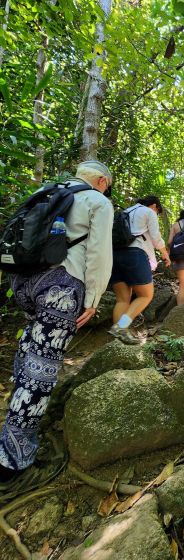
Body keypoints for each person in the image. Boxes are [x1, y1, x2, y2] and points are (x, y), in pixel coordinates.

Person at [0, 160, 114, 483]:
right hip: (60, 289)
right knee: (41, 368)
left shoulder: (48, 189)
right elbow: (99, 255)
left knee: (29, 350)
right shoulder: (97, 201)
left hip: (22, 282)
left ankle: (14, 420)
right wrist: (92, 299)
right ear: (102, 181)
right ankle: (12, 459)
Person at [109, 195, 171, 345]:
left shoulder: (125, 212)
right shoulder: (148, 212)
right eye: (158, 211)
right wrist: (165, 254)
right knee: (146, 295)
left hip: (114, 255)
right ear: (154, 206)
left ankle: (117, 341)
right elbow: (156, 238)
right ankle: (121, 326)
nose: (156, 213)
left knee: (122, 299)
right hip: (135, 255)